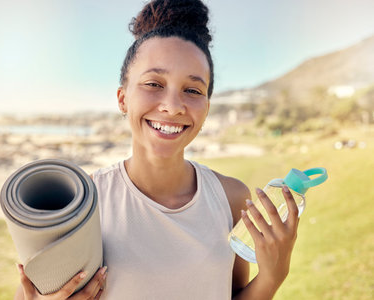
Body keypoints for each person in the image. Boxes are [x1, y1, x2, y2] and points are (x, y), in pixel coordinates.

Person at [15, 0, 299, 299]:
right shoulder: (82, 203)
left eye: (192, 90)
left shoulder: (231, 198)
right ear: (123, 99)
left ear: (206, 108)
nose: (173, 107)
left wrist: (273, 275)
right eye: (153, 83)